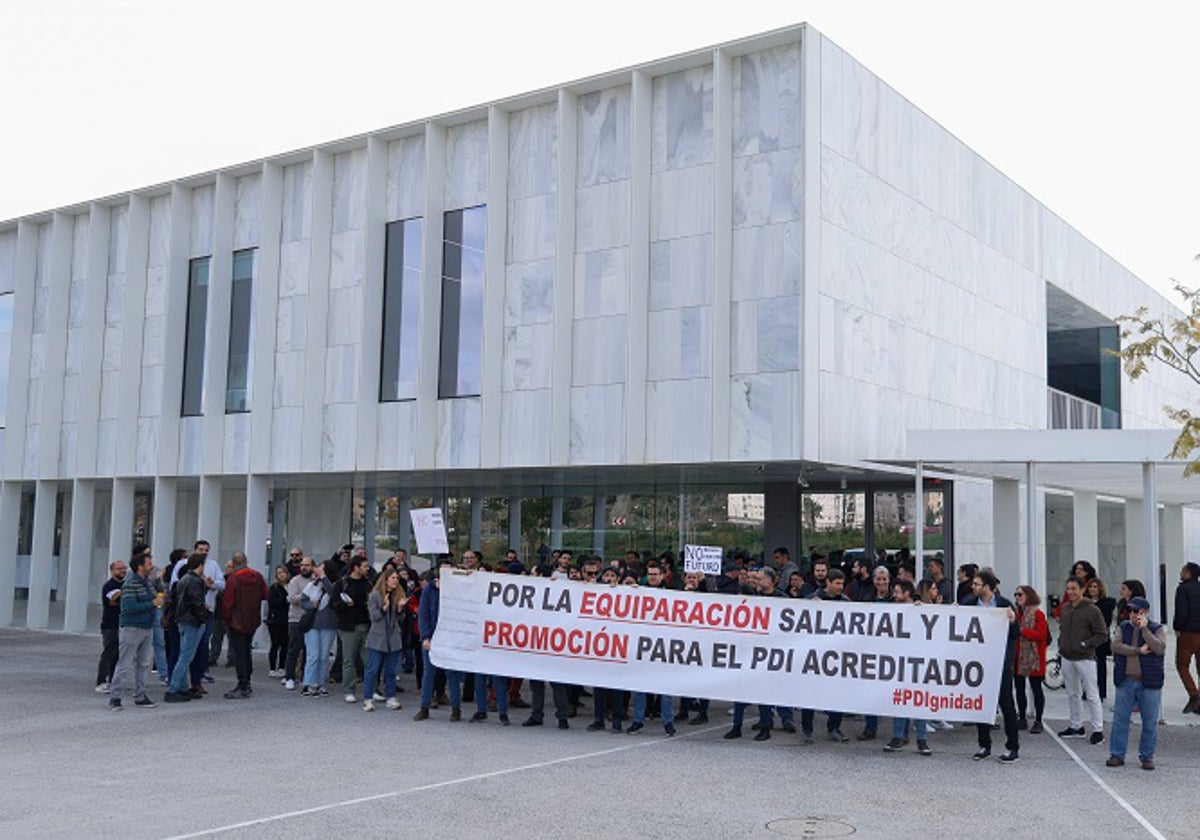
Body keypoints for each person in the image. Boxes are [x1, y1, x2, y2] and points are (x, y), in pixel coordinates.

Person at [963, 569, 1020, 762]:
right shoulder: (970, 604)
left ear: (987, 587)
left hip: (1000, 662)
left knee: (1006, 704)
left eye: (977, 584)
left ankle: (1013, 747)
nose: (973, 587)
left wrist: (1012, 622)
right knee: (981, 704)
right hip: (978, 662)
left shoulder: (1004, 605)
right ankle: (984, 744)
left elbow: (1015, 635)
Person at [1107, 597, 1167, 771]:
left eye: (1137, 611)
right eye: (1131, 611)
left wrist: (1145, 630)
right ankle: (1117, 754)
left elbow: (1158, 647)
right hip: (1126, 680)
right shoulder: (1123, 627)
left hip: (1149, 682)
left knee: (1150, 721)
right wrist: (1138, 651)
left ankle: (1147, 756)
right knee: (1120, 720)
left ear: (1145, 612)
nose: (1133, 614)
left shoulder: (1156, 628)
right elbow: (1116, 646)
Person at [1056, 577, 1109, 744]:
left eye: (1074, 589)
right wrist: (1061, 645)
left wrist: (1086, 644)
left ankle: (1097, 729)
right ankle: (1076, 726)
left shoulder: (1092, 610)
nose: (1070, 592)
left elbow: (1102, 634)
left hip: (1085, 658)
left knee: (1092, 694)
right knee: (1073, 694)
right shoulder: (1065, 608)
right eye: (1068, 589)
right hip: (1067, 656)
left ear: (1082, 589)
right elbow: (1063, 629)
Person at [883, 580, 931, 755]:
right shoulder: (892, 610)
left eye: (897, 592)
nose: (894, 595)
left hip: (918, 662)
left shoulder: (921, 610)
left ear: (907, 593)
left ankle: (922, 740)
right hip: (899, 662)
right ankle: (899, 737)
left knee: (918, 700)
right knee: (900, 700)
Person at [109, 552, 160, 710]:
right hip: (132, 627)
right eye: (148, 563)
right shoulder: (131, 583)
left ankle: (141, 695)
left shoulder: (146, 582)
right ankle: (115, 698)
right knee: (124, 664)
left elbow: (156, 595)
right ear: (140, 566)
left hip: (146, 627)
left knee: (143, 664)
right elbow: (129, 608)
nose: (151, 565)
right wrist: (152, 603)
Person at [414, 568, 463, 721]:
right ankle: (424, 707)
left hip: (450, 638)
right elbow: (424, 614)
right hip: (433, 637)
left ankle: (456, 709)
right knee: (429, 674)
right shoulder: (429, 590)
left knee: (452, 675)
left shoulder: (456, 591)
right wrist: (426, 637)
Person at [221, 552, 269, 699]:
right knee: (246, 651)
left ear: (234, 564)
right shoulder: (258, 576)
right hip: (252, 619)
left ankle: (242, 684)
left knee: (239, 653)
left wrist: (226, 618)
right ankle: (247, 682)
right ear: (246, 561)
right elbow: (265, 595)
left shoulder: (233, 579)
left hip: (237, 621)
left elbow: (228, 603)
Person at [164, 554, 209, 703]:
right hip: (192, 621)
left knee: (183, 655)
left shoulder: (184, 579)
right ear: (200, 565)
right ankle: (173, 688)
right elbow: (196, 602)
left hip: (183, 620)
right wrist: (203, 617)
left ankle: (182, 688)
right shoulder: (194, 581)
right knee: (185, 657)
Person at [362, 568, 407, 712]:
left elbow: (400, 620)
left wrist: (400, 609)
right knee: (372, 669)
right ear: (386, 579)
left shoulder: (398, 594)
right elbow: (374, 616)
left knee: (391, 670)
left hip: (393, 637)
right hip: (377, 637)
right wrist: (384, 608)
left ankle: (391, 697)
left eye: (397, 578)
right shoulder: (375, 595)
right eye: (393, 578)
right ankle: (367, 698)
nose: (395, 580)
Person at [335, 555, 373, 703]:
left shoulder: (368, 583)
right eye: (364, 566)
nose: (367, 568)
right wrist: (345, 605)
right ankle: (349, 690)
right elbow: (334, 603)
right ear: (356, 567)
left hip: (366, 625)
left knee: (369, 660)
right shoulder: (342, 583)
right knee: (348, 660)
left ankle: (372, 689)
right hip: (348, 627)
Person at [1013, 585, 1049, 734]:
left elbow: (1042, 635)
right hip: (1019, 656)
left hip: (1034, 657)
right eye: (1015, 595)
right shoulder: (1016, 614)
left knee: (1036, 689)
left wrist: (1023, 631)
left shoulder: (1038, 614)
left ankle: (1038, 720)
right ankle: (1022, 718)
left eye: (1020, 594)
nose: (1017, 597)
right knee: (1019, 689)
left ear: (1028, 596)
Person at [301, 561, 339, 697]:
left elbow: (334, 594)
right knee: (313, 655)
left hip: (329, 624)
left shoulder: (334, 584)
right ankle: (308, 683)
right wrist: (311, 605)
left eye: (322, 569)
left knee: (324, 656)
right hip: (312, 624)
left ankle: (320, 683)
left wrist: (324, 578)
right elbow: (303, 600)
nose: (318, 571)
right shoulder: (312, 585)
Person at [95, 560, 127, 694]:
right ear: (112, 571)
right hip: (110, 625)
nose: (122, 571)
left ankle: (113, 680)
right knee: (109, 653)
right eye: (119, 569)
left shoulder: (125, 584)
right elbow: (113, 600)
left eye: (124, 568)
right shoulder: (109, 586)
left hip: (123, 624)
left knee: (118, 655)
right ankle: (101, 681)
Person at [283, 557, 314, 690]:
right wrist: (306, 597)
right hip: (296, 619)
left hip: (311, 620)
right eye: (302, 565)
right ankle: (289, 677)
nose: (304, 568)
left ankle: (304, 677)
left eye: (307, 565)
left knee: (309, 651)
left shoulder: (315, 581)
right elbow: (292, 599)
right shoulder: (295, 581)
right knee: (294, 650)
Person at [1173, 562, 1200, 714]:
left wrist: (1177, 627)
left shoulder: (1183, 589)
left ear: (1188, 572)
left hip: (1188, 632)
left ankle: (1194, 695)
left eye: (1183, 570)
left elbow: (1181, 611)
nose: (1181, 572)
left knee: (1182, 665)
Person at [1087, 577, 1117, 703]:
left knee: (1100, 665)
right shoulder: (1084, 602)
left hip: (1100, 638)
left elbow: (1106, 621)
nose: (1092, 589)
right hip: (1087, 637)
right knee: (1087, 666)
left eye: (1095, 587)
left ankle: (1101, 691)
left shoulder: (1106, 604)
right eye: (1090, 587)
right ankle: (1088, 690)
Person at [266, 565, 291, 678]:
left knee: (285, 645)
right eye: (279, 573)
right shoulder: (274, 588)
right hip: (275, 620)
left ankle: (281, 667)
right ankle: (272, 668)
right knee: (275, 644)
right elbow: (274, 603)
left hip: (287, 620)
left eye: (283, 572)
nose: (281, 575)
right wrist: (286, 599)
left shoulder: (290, 586)